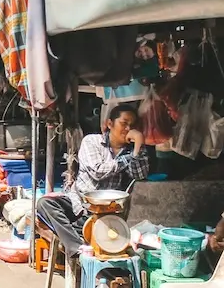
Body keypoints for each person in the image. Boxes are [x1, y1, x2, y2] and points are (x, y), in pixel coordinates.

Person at [36, 104, 148, 258]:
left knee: (100, 231)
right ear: (110, 124)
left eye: (132, 125)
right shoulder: (92, 141)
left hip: (105, 213)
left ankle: (77, 238)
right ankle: (77, 248)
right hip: (78, 203)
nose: (128, 129)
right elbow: (97, 171)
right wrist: (127, 159)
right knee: (44, 204)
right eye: (124, 123)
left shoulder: (133, 150)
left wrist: (136, 149)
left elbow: (140, 174)